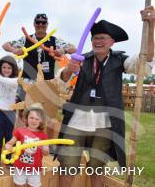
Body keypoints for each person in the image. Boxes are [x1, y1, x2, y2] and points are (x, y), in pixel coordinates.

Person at [55, 19, 154, 187]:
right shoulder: (81, 60)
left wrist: (151, 25)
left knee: (97, 167)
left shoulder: (120, 60)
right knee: (67, 165)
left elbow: (146, 59)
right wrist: (68, 70)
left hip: (105, 124)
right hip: (77, 120)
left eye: (102, 38)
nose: (98, 41)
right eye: (95, 38)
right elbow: (61, 82)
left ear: (111, 42)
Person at [2, 13, 76, 100]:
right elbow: (5, 45)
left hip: (47, 82)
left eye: (43, 22)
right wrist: (14, 50)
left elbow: (74, 49)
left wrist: (63, 51)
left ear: (47, 24)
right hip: (27, 81)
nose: (40, 25)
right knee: (24, 109)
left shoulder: (54, 40)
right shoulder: (25, 39)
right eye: (38, 22)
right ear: (34, 24)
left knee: (46, 110)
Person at [5, 103, 49, 187]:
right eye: (31, 118)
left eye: (37, 119)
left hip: (35, 169)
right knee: (18, 185)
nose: (34, 121)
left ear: (41, 121)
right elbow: (9, 143)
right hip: (20, 167)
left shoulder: (43, 135)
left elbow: (46, 153)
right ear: (26, 118)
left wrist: (45, 150)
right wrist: (8, 146)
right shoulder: (20, 131)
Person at [0, 47, 19, 167]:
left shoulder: (16, 80)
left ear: (13, 69)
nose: (6, 70)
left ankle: (8, 158)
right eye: (4, 67)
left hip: (10, 113)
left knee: (9, 136)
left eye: (9, 68)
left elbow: (11, 82)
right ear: (0, 68)